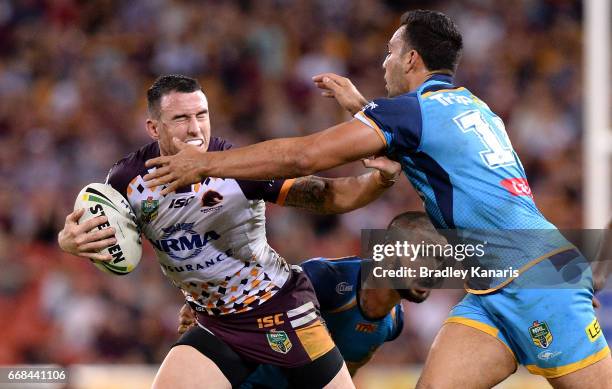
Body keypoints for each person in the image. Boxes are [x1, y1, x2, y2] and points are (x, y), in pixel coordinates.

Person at [143, 10, 612, 388]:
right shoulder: (473, 106)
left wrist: (206, 164)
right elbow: (422, 146)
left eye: (390, 53)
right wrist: (363, 108)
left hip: (537, 279)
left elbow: (307, 154)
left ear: (410, 60)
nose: (384, 62)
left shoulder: (412, 113)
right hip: (492, 288)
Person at [58, 74, 404, 389]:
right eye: (181, 118)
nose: (195, 129)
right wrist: (68, 241)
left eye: (202, 115)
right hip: (216, 321)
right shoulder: (126, 180)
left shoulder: (236, 166)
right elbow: (97, 236)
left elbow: (330, 196)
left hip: (280, 308)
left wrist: (382, 178)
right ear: (153, 128)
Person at [176, 212, 436, 389]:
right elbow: (257, 291)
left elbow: (343, 372)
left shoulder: (393, 323)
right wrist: (203, 305)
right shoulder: (326, 279)